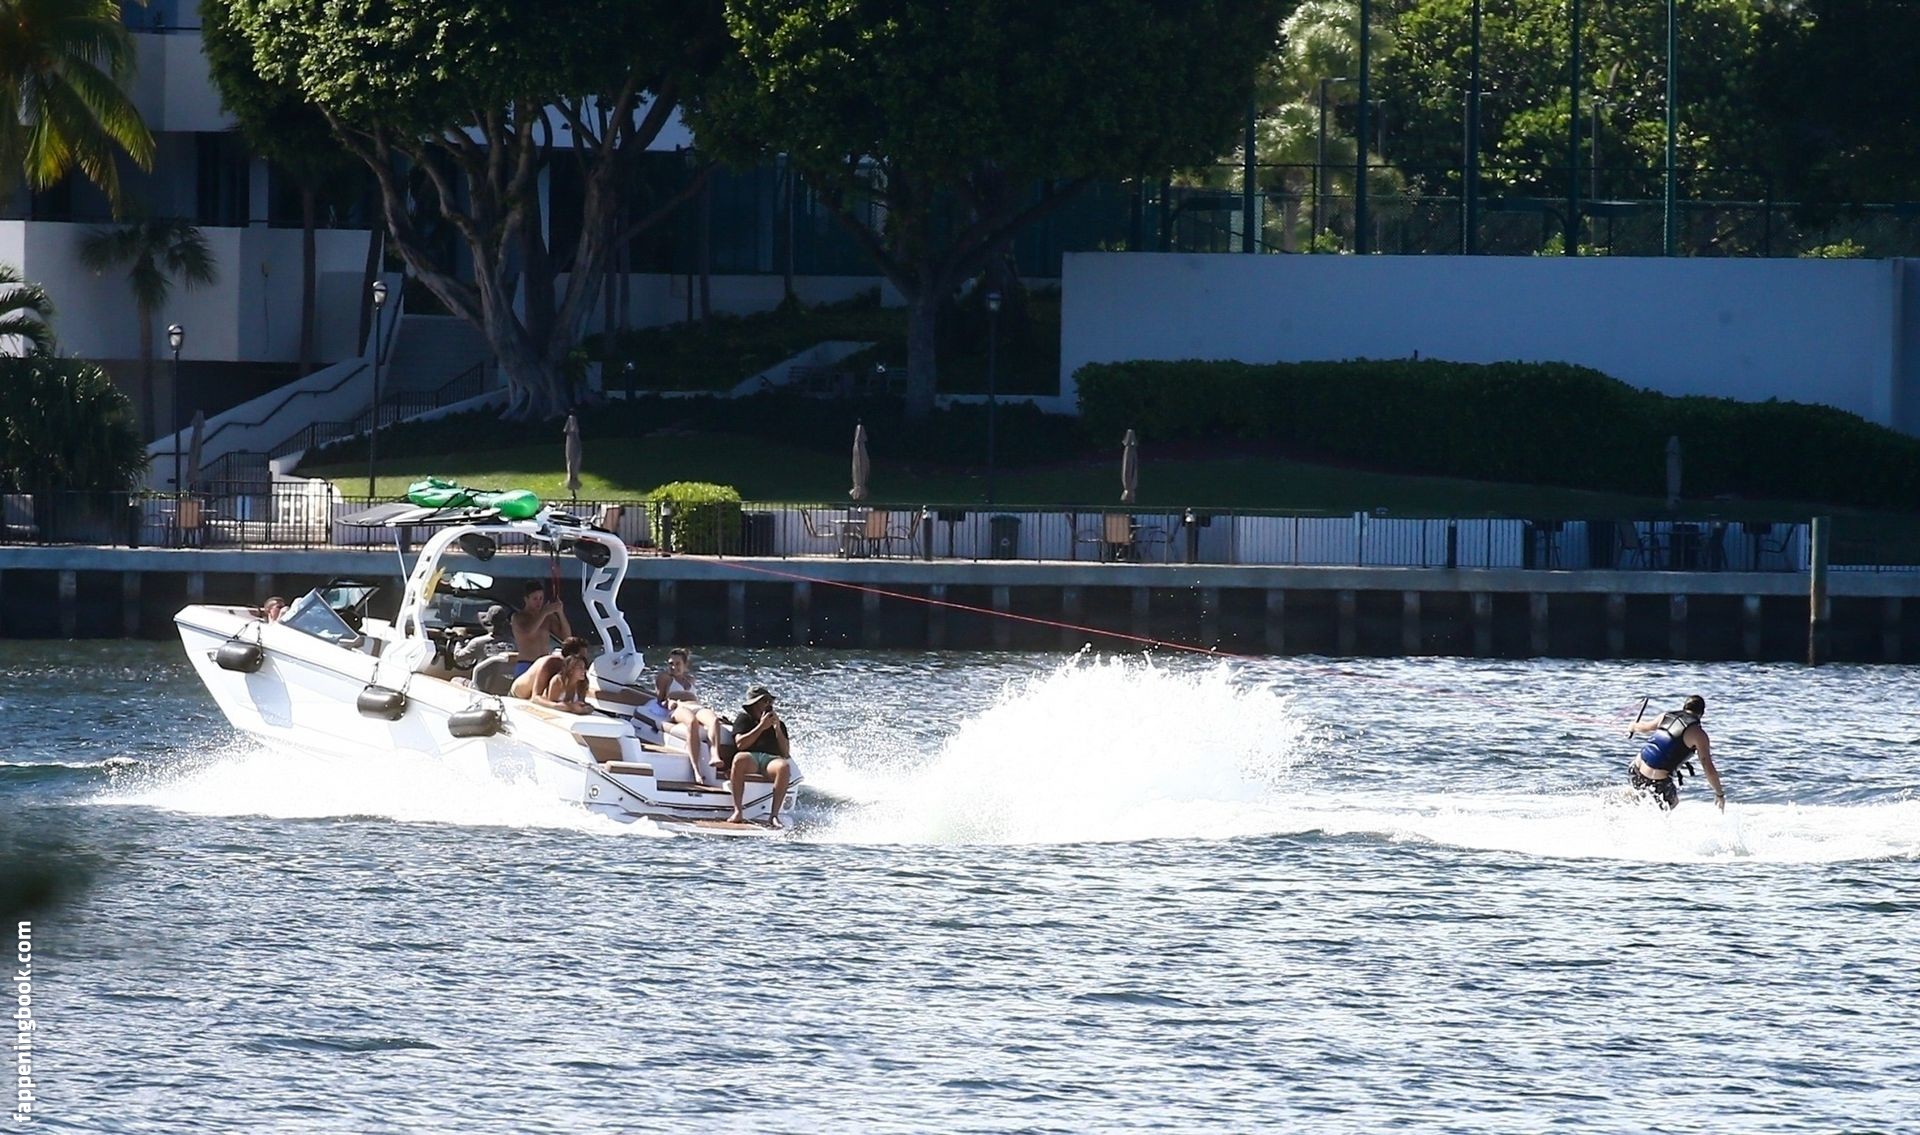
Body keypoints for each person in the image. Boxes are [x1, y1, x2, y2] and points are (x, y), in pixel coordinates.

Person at [1627, 695, 1725, 811]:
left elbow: (1643, 727)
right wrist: (1719, 794)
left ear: (1685, 707)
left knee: (1639, 796)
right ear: (1702, 713)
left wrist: (1632, 726)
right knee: (1672, 803)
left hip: (1636, 768)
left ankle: (1627, 800)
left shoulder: (1665, 716)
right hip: (1656, 778)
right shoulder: (1699, 734)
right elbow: (1707, 766)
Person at [724, 684, 792, 827]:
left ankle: (774, 815)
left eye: (770, 701)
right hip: (751, 757)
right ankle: (738, 811)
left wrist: (777, 729)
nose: (768, 705)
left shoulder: (779, 723)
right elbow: (740, 745)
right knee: (739, 760)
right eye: (764, 701)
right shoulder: (744, 719)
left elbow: (785, 753)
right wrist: (761, 727)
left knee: (784, 766)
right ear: (754, 704)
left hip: (770, 760)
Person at [656, 647, 725, 783]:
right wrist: (668, 703)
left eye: (677, 664)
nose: (673, 667)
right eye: (670, 664)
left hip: (696, 706)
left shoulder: (690, 680)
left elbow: (696, 699)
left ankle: (715, 755)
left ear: (685, 665)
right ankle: (696, 770)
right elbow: (659, 700)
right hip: (679, 707)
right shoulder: (665, 678)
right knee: (692, 722)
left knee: (713, 720)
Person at [509, 636, 591, 712]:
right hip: (518, 697)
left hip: (531, 701)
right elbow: (535, 698)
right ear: (571, 657)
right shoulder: (550, 664)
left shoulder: (575, 670)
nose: (584, 661)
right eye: (582, 657)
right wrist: (565, 707)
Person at [509, 581, 573, 676]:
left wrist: (560, 613)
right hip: (527, 664)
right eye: (535, 599)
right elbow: (528, 632)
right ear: (526, 599)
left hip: (544, 665)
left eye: (541, 598)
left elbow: (566, 637)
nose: (538, 602)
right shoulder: (518, 617)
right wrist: (544, 612)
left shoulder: (547, 617)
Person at [452, 604, 515, 671]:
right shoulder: (515, 643)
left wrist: (460, 638)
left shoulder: (478, 643)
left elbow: (458, 656)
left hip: (481, 678)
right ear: (505, 621)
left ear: (489, 621)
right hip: (508, 678)